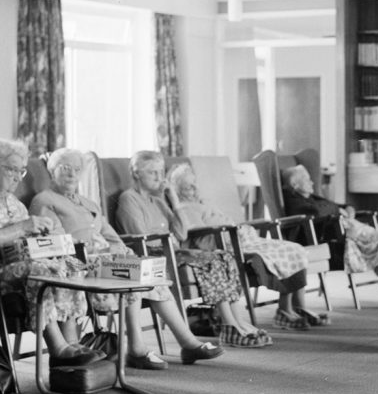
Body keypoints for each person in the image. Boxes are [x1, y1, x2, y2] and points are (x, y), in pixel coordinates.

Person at [30, 149, 234, 366]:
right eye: (65, 168)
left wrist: (122, 252)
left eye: (77, 169)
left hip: (102, 259)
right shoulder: (44, 200)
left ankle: (187, 343)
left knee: (146, 270)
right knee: (137, 272)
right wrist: (91, 249)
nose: (72, 174)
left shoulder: (87, 203)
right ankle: (138, 348)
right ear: (52, 171)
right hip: (74, 262)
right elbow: (55, 245)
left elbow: (111, 236)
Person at [0, 138, 106, 370]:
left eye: (20, 171)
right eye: (10, 169)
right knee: (40, 270)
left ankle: (73, 344)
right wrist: (23, 228)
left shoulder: (15, 204)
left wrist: (49, 241)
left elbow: (31, 243)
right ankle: (58, 348)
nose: (16, 177)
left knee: (71, 265)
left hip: (18, 269)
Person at [167, 162, 323, 332]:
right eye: (189, 186)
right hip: (228, 243)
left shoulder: (204, 203)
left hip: (242, 237)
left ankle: (289, 308)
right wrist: (230, 236)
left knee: (295, 249)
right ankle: (284, 311)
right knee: (281, 252)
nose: (195, 187)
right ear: (179, 190)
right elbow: (196, 239)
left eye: (195, 183)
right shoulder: (185, 209)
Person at [114, 150, 226, 363]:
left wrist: (174, 200)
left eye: (161, 172)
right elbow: (140, 238)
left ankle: (220, 330)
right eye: (153, 173)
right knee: (155, 275)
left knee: (219, 258)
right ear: (136, 174)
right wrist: (166, 240)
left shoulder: (158, 201)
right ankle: (188, 343)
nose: (159, 177)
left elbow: (182, 233)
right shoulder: (129, 199)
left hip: (169, 254)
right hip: (150, 257)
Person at [281, 164, 378, 276]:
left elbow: (336, 206)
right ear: (295, 184)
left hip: (344, 233)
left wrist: (348, 209)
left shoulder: (310, 197)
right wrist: (338, 210)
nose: (312, 182)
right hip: (326, 241)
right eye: (307, 180)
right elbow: (317, 212)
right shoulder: (292, 201)